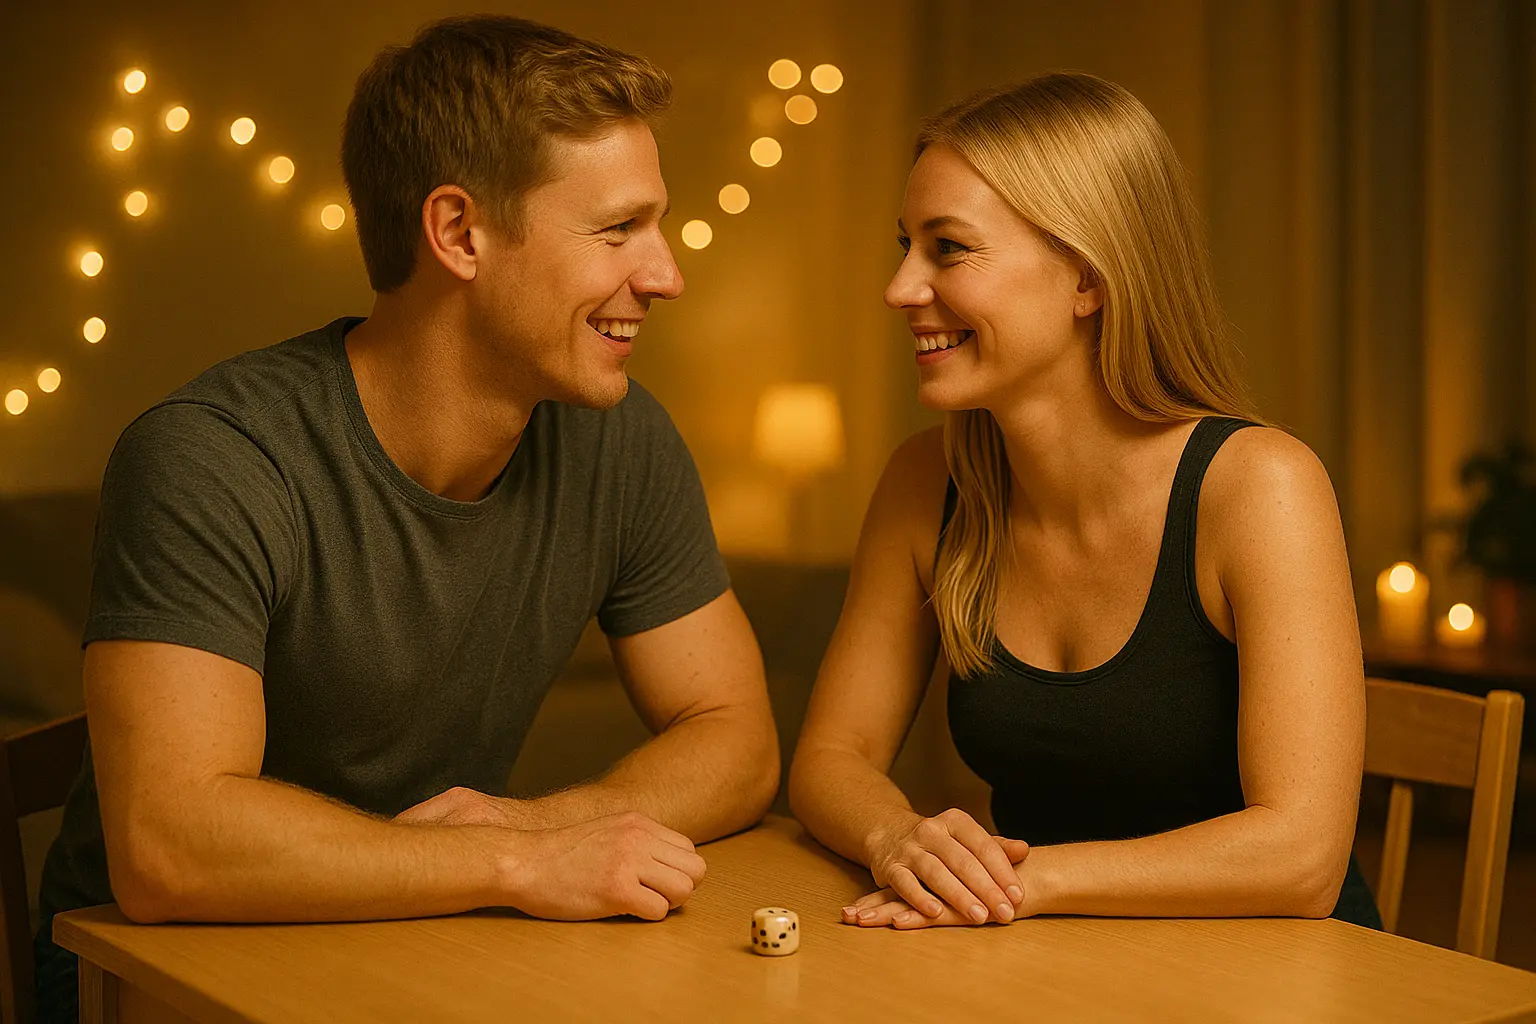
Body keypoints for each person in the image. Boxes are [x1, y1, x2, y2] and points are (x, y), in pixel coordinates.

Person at [35, 15, 779, 1020]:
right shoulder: (211, 456)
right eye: (617, 230)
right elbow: (170, 843)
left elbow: (737, 737)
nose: (664, 274)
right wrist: (514, 859)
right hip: (159, 983)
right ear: (459, 232)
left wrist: (544, 825)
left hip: (420, 945)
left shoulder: (619, 437)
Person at [788, 72, 1380, 931]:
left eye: (948, 248)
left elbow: (1301, 859)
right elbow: (831, 756)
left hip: (1285, 981)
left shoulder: (1260, 486)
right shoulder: (926, 483)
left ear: (1088, 279)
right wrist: (896, 837)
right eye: (905, 246)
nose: (901, 288)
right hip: (1057, 967)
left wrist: (1010, 887)